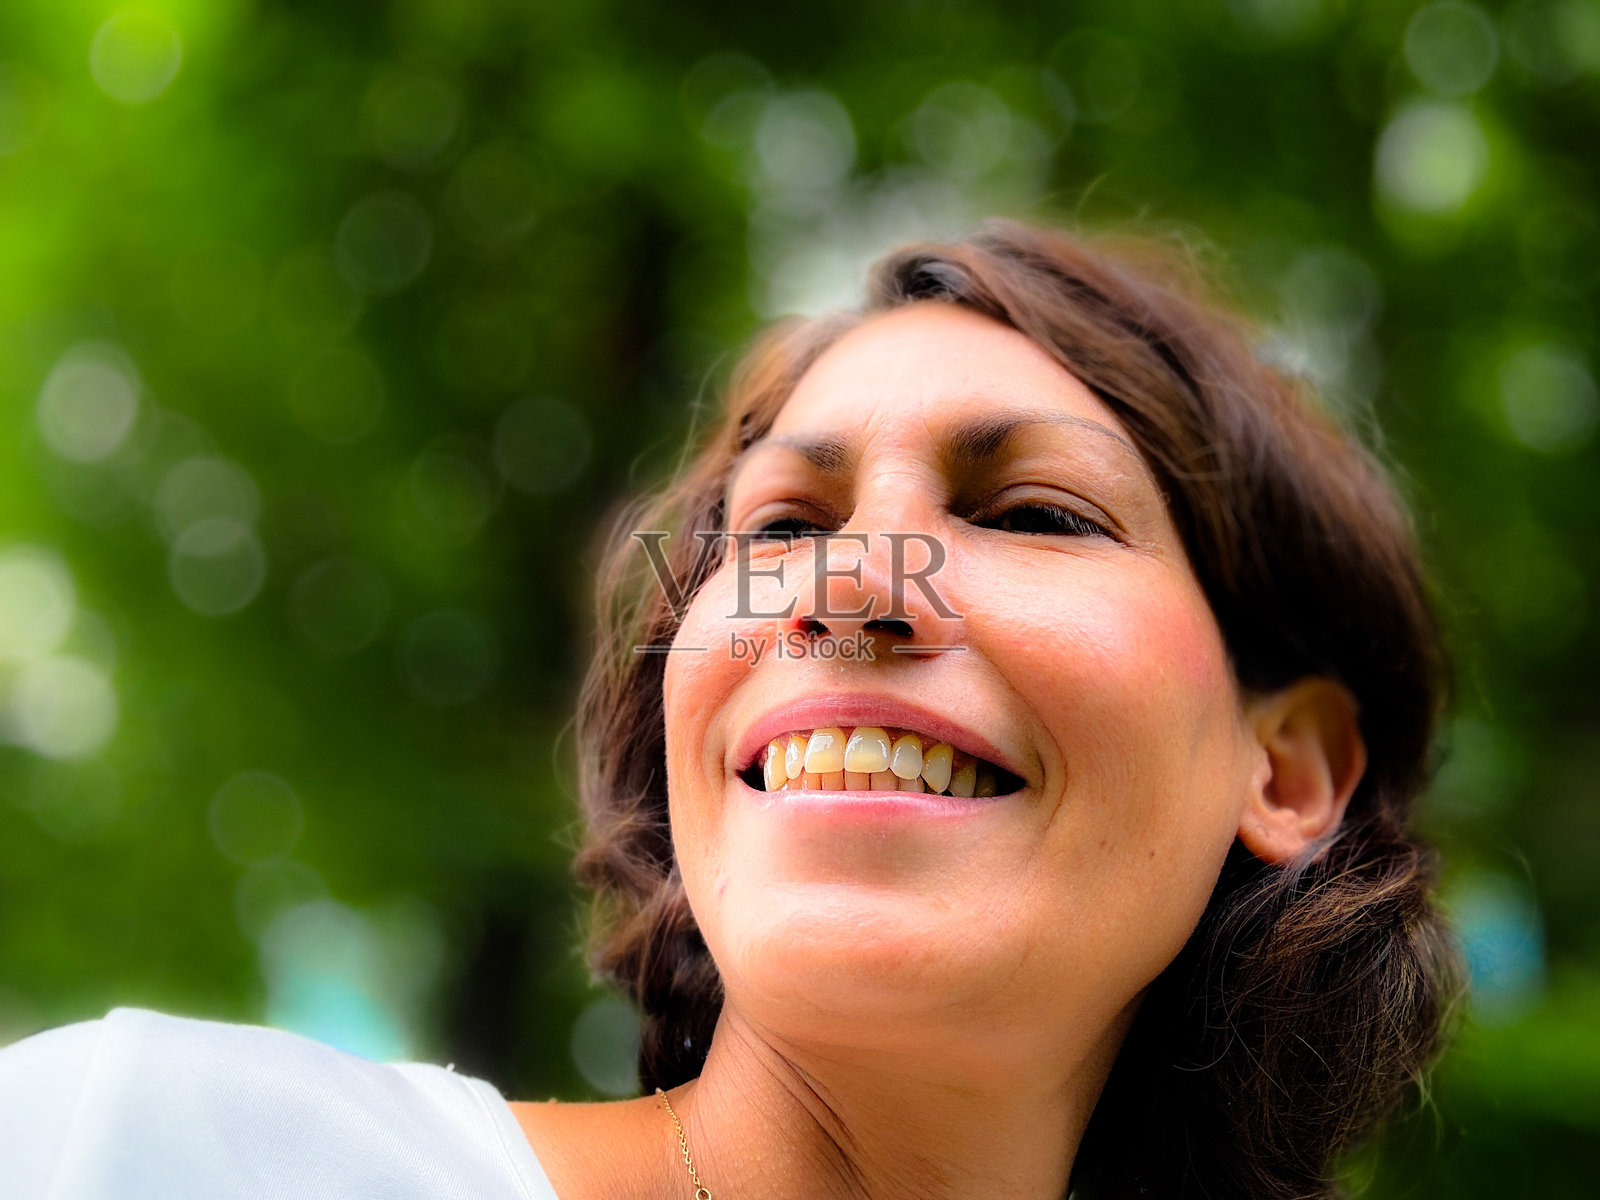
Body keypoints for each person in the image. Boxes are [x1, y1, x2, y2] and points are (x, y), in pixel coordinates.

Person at [0, 220, 1459, 1200]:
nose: (844, 586)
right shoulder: (136, 1151)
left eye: (1034, 511)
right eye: (775, 530)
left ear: (1288, 767)